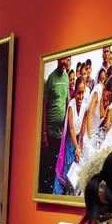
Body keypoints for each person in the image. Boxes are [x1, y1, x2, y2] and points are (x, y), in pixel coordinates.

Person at [40, 56, 71, 193]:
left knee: (58, 162)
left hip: (61, 132)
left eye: (67, 59)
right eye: (62, 59)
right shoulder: (51, 78)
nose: (64, 62)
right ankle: (45, 187)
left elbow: (67, 102)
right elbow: (44, 105)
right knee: (48, 161)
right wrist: (44, 132)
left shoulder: (67, 78)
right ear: (58, 60)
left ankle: (54, 187)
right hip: (50, 130)